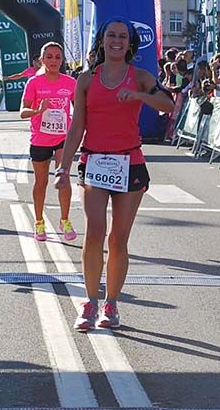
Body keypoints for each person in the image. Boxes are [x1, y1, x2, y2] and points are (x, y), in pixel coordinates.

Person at [54, 19, 174, 331]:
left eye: (123, 36)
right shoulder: (85, 79)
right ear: (102, 40)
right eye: (111, 35)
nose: (117, 41)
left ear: (130, 43)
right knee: (94, 232)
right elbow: (77, 126)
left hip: (130, 164)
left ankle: (111, 303)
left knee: (118, 239)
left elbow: (168, 104)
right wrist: (63, 168)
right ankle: (90, 302)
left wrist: (140, 96)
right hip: (94, 162)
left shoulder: (141, 76)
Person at [20, 42, 77, 242]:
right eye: (49, 57)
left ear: (62, 61)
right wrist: (37, 111)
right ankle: (39, 221)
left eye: (57, 57)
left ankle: (64, 219)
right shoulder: (34, 83)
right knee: (41, 182)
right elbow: (22, 112)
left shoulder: (70, 82)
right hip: (40, 139)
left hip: (63, 138)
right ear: (42, 60)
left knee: (63, 178)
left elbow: (79, 110)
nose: (54, 60)